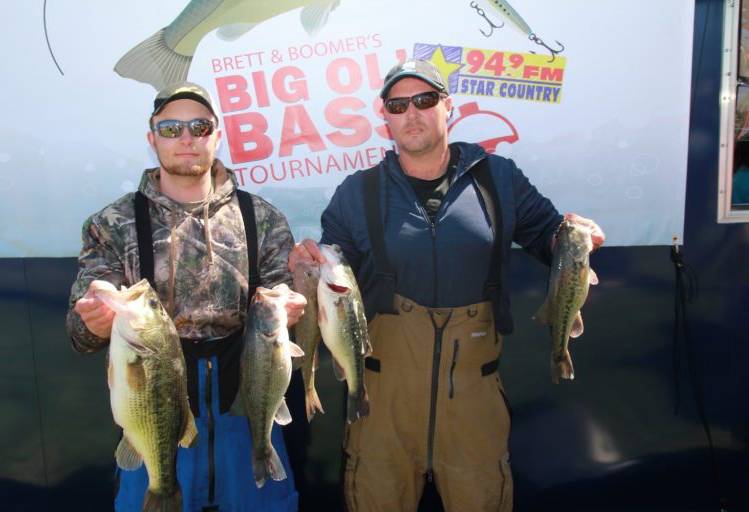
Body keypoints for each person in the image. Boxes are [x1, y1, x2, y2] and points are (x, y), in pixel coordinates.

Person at [288, 59, 605, 512]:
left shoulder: (499, 178)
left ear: (448, 105)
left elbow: (548, 235)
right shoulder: (357, 192)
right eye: (398, 105)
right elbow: (334, 278)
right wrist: (306, 270)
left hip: (475, 395)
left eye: (424, 99)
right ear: (384, 115)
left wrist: (576, 240)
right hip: (381, 399)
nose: (412, 113)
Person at [66, 81, 306, 511]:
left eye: (200, 126)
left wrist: (289, 307)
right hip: (154, 413)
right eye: (171, 128)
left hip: (246, 413)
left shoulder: (263, 218)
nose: (186, 138)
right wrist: (92, 320)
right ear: (152, 138)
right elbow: (79, 335)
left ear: (217, 135)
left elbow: (283, 306)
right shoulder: (112, 224)